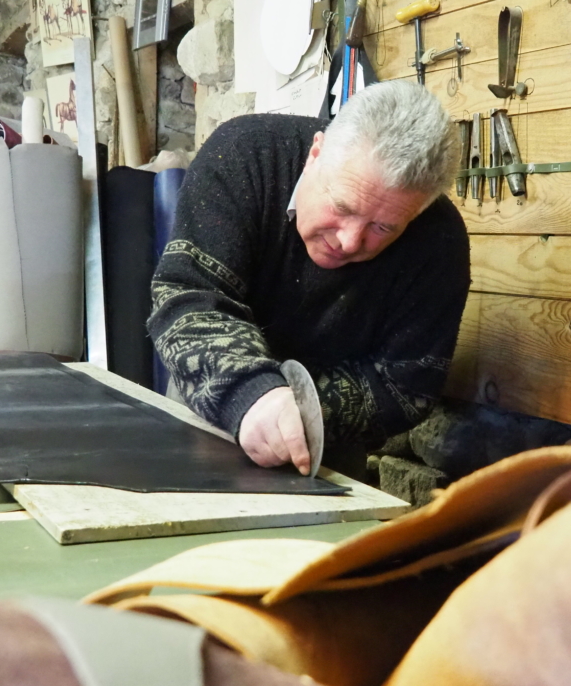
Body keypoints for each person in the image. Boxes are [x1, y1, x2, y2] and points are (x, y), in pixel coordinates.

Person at [147, 81, 470, 475]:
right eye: (342, 206)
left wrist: (297, 410)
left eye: (383, 228)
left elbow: (408, 385)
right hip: (208, 397)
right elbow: (189, 293)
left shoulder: (438, 241)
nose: (350, 241)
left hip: (322, 445)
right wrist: (251, 392)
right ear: (314, 154)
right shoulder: (243, 154)